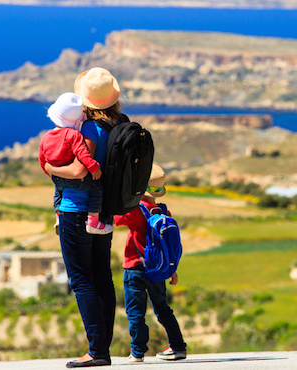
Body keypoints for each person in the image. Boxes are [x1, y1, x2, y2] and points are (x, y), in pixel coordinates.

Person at [44, 67, 126, 368]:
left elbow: (80, 170)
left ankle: (96, 351)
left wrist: (51, 170)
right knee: (103, 276)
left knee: (81, 280)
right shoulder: (119, 124)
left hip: (76, 211)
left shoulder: (90, 129)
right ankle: (102, 349)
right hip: (103, 210)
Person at [114, 164, 187, 363]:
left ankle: (137, 352)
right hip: (158, 268)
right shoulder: (164, 212)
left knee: (135, 312)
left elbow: (113, 220)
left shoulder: (134, 211)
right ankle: (178, 347)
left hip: (134, 267)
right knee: (163, 309)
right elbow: (168, 246)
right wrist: (172, 270)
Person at [38, 92, 113, 235]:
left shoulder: (46, 136)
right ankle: (93, 221)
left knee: (58, 193)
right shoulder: (74, 135)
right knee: (96, 188)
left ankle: (58, 216)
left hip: (57, 178)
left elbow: (42, 159)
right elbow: (82, 153)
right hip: (75, 180)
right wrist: (93, 167)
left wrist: (48, 171)